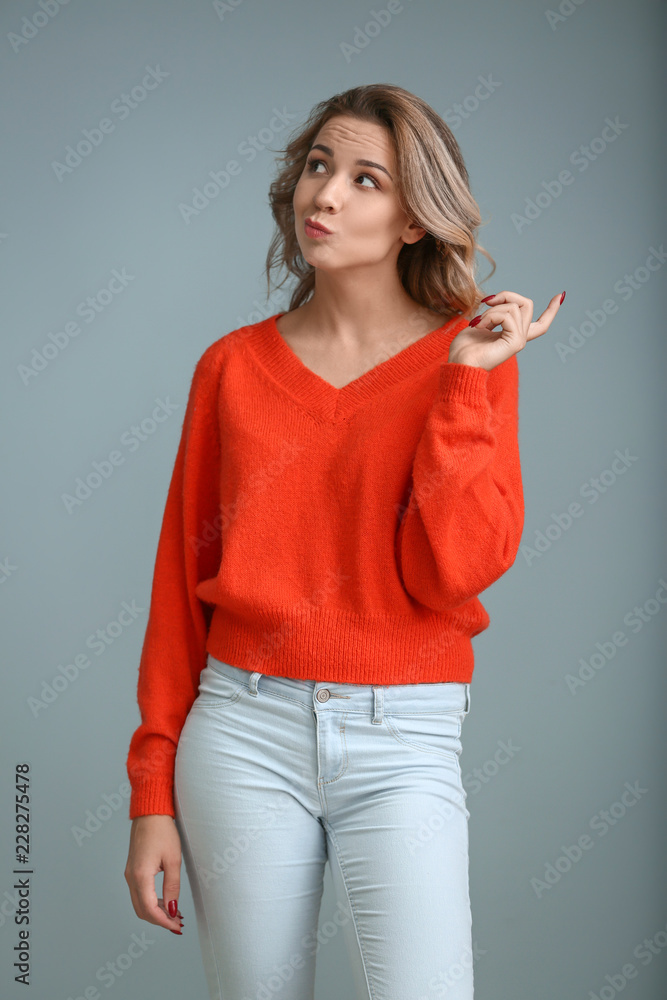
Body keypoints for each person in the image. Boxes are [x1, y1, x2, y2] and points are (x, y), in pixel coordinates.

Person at [124, 83, 563, 1000]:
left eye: (367, 179)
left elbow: (452, 572)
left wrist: (462, 388)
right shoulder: (232, 367)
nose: (325, 195)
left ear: (414, 219)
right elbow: (179, 580)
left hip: (402, 737)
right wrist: (152, 792)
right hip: (239, 730)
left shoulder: (467, 358)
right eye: (319, 166)